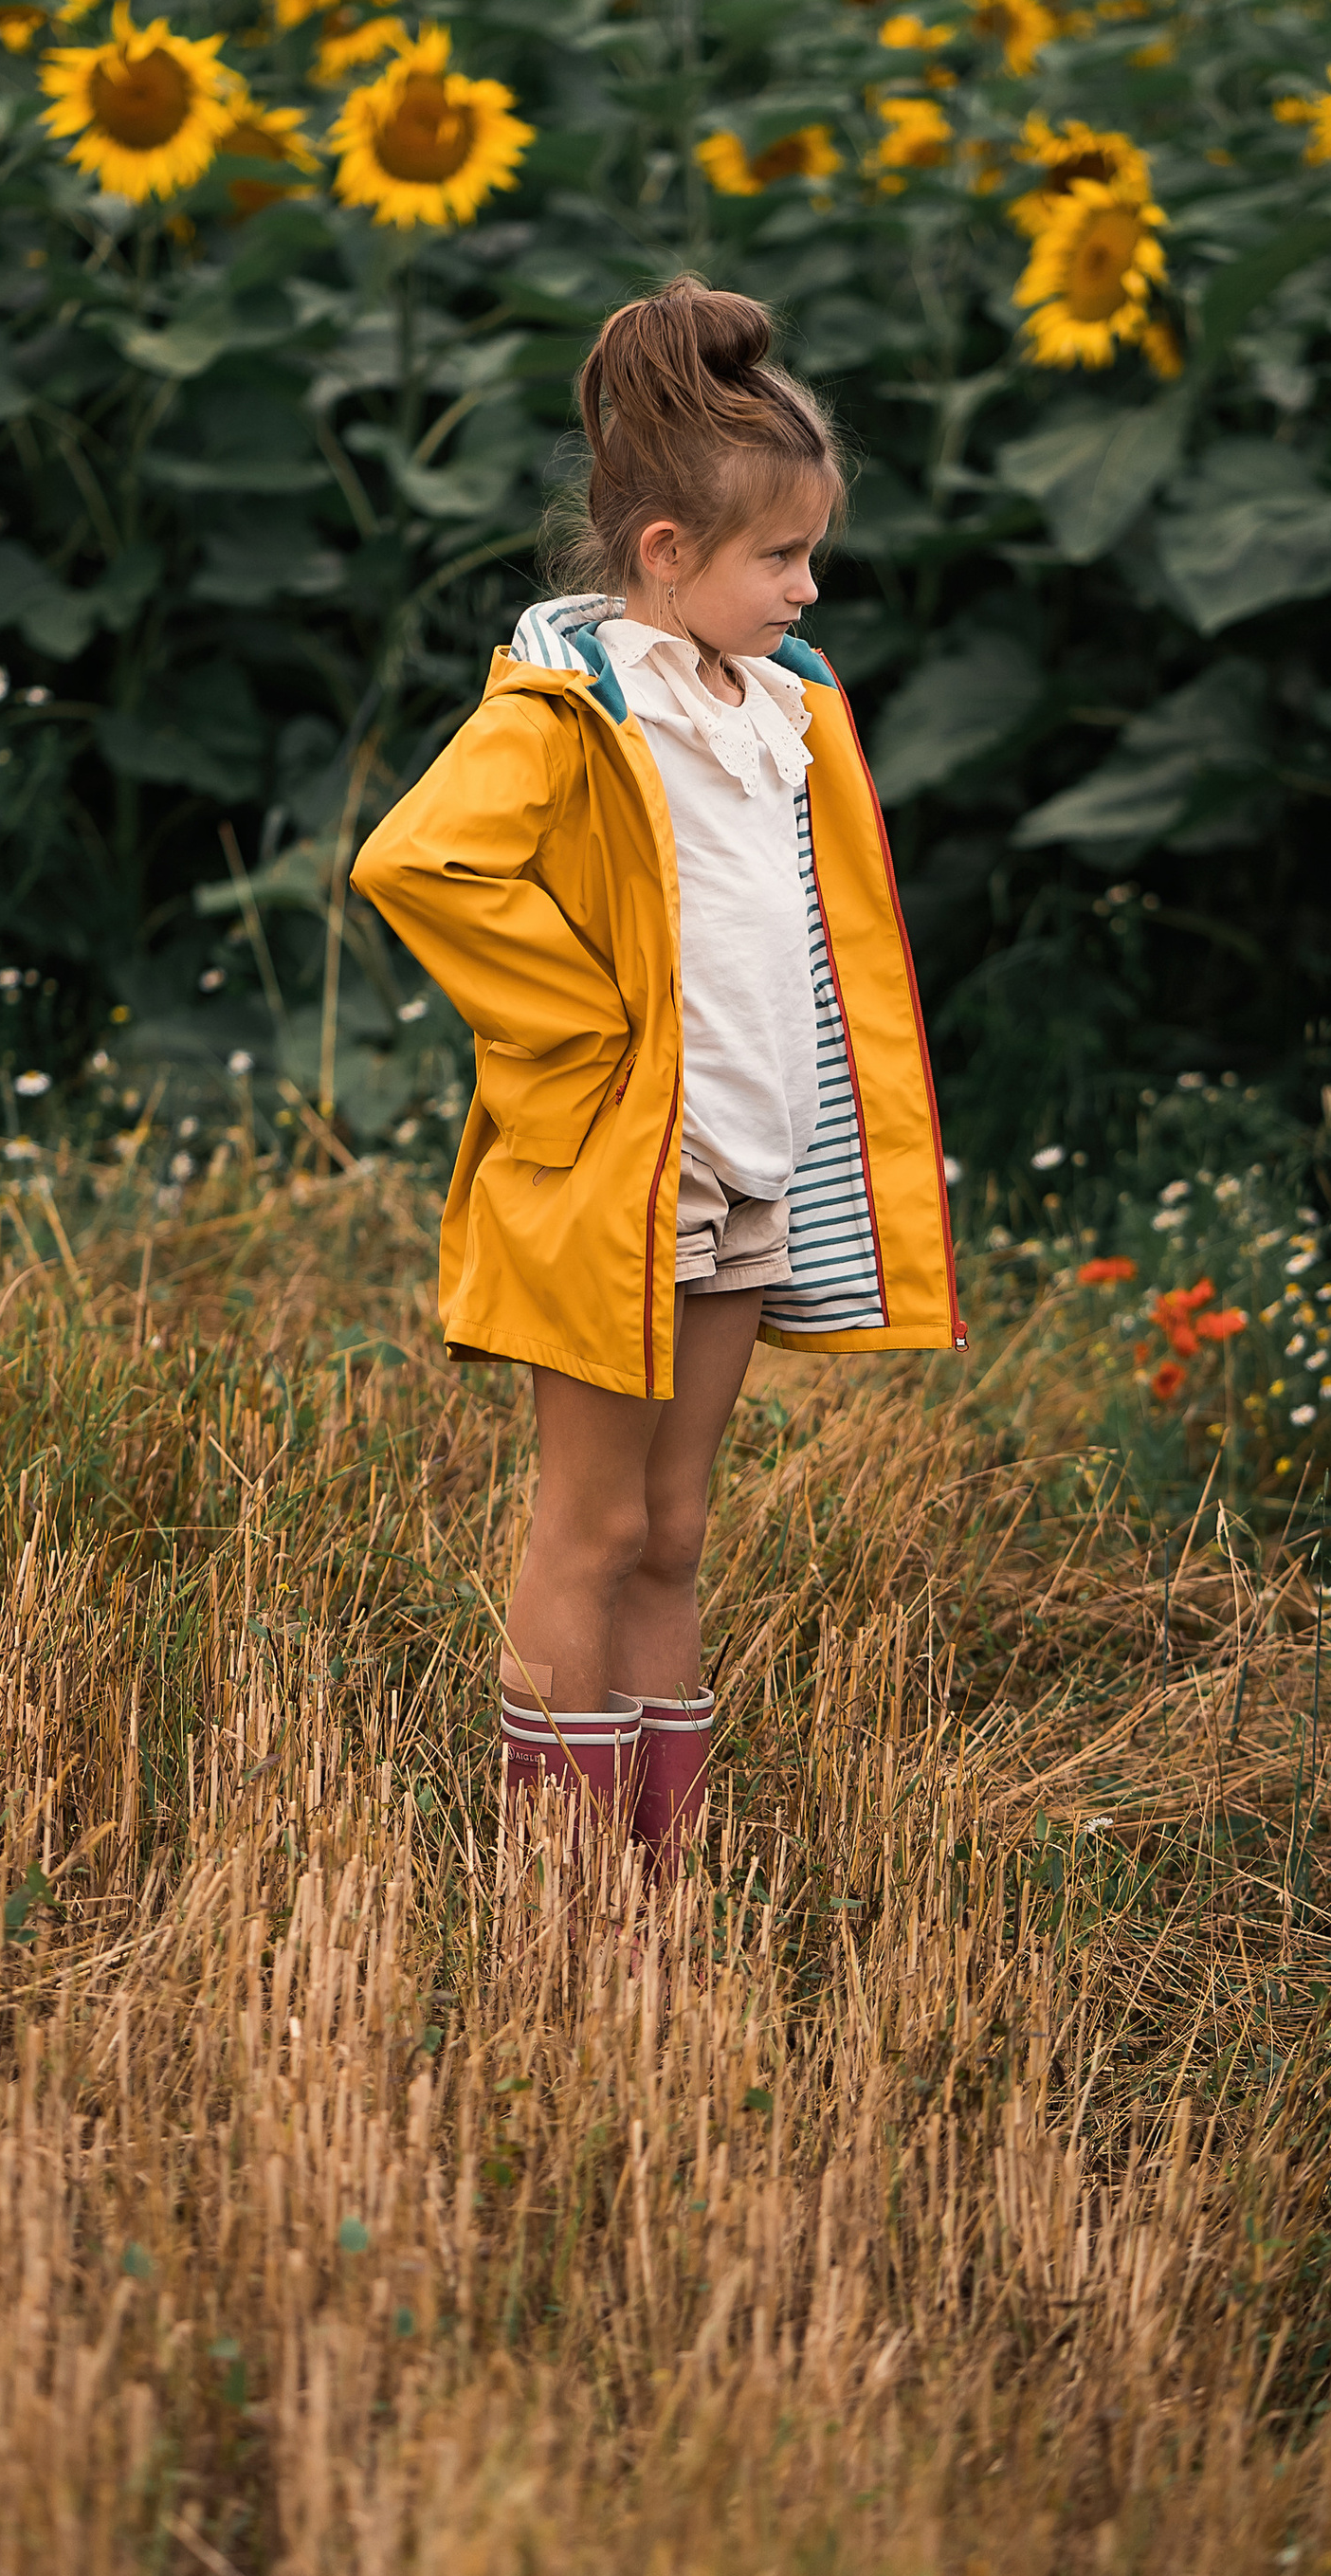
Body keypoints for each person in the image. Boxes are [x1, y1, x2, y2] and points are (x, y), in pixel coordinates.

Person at [351, 274, 961, 1876]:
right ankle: (563, 1899)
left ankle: (660, 1879)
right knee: (595, 1524)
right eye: (782, 557)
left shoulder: (783, 708)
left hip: (749, 1173)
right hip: (627, 1172)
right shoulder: (573, 712)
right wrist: (589, 1033)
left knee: (676, 1531)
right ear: (669, 554)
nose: (809, 587)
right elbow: (419, 864)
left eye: (813, 553)